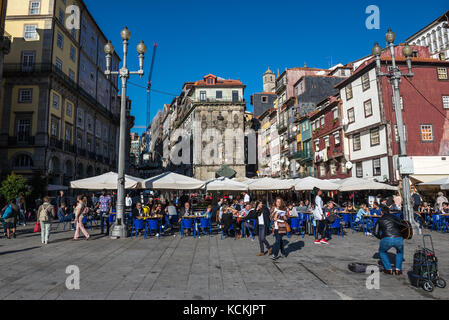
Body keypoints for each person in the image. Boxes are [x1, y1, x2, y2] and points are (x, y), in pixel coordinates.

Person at [373, 206, 404, 275]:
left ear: (381, 212)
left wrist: (381, 237)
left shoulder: (380, 219)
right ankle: (398, 270)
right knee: (400, 252)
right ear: (389, 211)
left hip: (387, 238)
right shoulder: (395, 217)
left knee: (382, 252)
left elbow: (375, 232)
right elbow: (402, 225)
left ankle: (388, 269)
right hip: (399, 237)